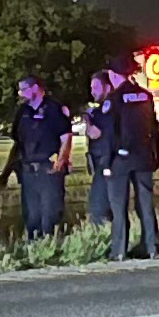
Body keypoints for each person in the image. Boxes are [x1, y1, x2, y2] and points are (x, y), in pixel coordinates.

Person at [109, 61, 159, 258]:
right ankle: (151, 247)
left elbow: (111, 133)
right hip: (143, 158)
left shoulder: (114, 99)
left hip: (121, 160)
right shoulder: (145, 95)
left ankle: (119, 251)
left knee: (119, 206)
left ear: (113, 74)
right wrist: (156, 154)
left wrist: (106, 162)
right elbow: (154, 128)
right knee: (146, 205)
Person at [10, 71, 72, 238]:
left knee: (50, 213)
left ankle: (51, 246)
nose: (20, 94)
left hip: (49, 169)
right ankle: (34, 248)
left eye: (23, 89)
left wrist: (60, 161)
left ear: (35, 88)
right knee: (32, 215)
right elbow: (17, 142)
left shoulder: (54, 109)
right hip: (28, 171)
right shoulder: (22, 112)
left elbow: (66, 137)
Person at [80, 68, 125, 236]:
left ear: (107, 87)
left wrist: (88, 121)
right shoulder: (111, 107)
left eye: (95, 87)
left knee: (98, 208)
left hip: (107, 163)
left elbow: (96, 133)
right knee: (109, 206)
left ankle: (103, 241)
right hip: (109, 162)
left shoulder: (108, 108)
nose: (92, 91)